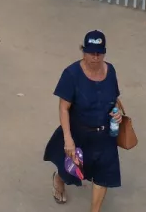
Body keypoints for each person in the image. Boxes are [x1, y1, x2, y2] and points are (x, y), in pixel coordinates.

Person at [43, 30, 124, 208]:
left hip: (104, 137)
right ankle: (59, 179)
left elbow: (114, 99)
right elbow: (64, 108)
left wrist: (117, 113)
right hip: (79, 133)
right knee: (71, 172)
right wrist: (68, 139)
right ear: (83, 51)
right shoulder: (71, 74)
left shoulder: (110, 71)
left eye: (99, 53)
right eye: (91, 52)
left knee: (104, 174)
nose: (95, 57)